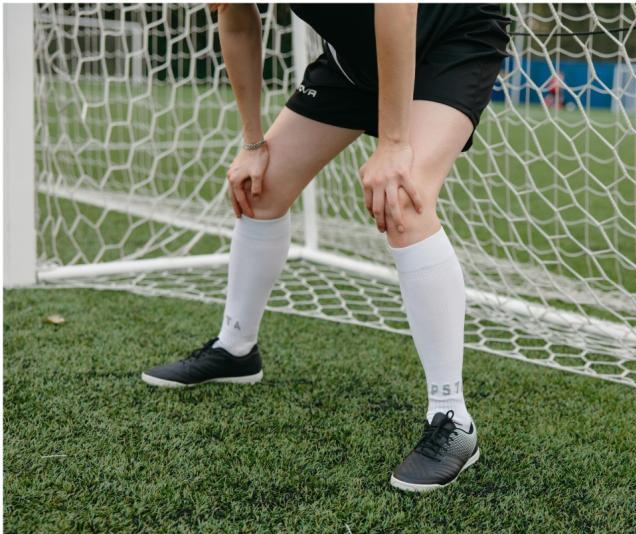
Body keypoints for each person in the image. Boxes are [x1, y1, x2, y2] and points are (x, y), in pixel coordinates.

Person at [141, 3, 509, 493]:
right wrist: (253, 144)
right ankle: (235, 348)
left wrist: (395, 143)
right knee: (262, 186)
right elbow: (235, 17)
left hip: (447, 39)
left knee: (402, 199)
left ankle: (452, 418)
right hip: (357, 57)